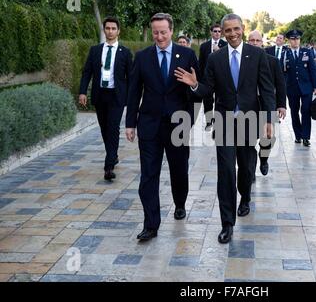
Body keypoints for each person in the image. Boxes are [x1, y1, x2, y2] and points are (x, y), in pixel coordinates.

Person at [175, 14, 276, 244]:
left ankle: (246, 197)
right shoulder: (215, 58)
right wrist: (194, 85)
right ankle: (227, 223)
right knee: (226, 171)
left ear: (243, 28)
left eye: (236, 29)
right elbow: (207, 89)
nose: (232, 34)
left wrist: (269, 119)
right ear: (222, 31)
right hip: (225, 122)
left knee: (246, 168)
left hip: (251, 120)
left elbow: (267, 89)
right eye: (227, 30)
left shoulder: (258, 55)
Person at [125, 13, 200, 241]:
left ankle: (180, 203)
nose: (159, 36)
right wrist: (130, 123)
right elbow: (134, 91)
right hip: (149, 125)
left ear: (171, 30)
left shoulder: (187, 55)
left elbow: (200, 89)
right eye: (155, 32)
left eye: (163, 32)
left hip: (178, 125)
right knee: (148, 175)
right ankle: (151, 225)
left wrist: (194, 89)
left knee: (179, 171)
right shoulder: (142, 57)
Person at [79, 16, 133, 181]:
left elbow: (130, 77)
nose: (110, 31)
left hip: (117, 96)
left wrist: (131, 98)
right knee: (104, 129)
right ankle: (113, 154)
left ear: (118, 31)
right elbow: (87, 72)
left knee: (113, 127)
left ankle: (109, 166)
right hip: (100, 94)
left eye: (113, 29)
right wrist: (82, 92)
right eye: (107, 28)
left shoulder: (125, 52)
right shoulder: (95, 50)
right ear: (104, 30)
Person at [247, 30, 286, 177]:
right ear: (248, 42)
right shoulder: (243, 60)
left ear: (262, 43)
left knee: (267, 138)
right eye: (252, 40)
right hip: (249, 106)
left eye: (258, 41)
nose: (255, 43)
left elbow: (281, 85)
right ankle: (248, 172)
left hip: (267, 105)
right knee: (248, 141)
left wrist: (281, 105)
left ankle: (264, 159)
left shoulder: (273, 61)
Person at [281, 29, 316, 147]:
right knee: (294, 112)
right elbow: (282, 72)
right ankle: (298, 135)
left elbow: (313, 70)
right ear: (289, 40)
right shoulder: (285, 54)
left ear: (300, 40)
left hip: (306, 87)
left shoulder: (307, 52)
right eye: (293, 39)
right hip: (291, 88)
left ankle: (306, 137)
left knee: (306, 111)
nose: (295, 41)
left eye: (297, 38)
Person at [198, 24, 228, 131]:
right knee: (207, 101)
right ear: (211, 32)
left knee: (220, 100)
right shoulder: (204, 46)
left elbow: (227, 63)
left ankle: (219, 121)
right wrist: (200, 80)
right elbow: (200, 64)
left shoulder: (225, 45)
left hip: (221, 79)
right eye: (215, 31)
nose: (217, 33)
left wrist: (218, 50)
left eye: (219, 31)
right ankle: (208, 121)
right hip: (207, 79)